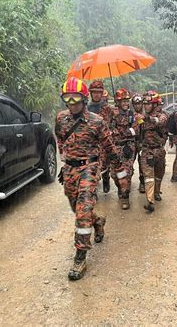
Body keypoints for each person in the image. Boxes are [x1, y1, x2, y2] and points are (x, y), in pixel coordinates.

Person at [55, 77, 126, 280]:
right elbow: (60, 138)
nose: (71, 104)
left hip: (90, 167)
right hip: (70, 170)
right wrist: (64, 158)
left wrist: (121, 175)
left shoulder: (97, 121)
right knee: (76, 208)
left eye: (75, 98)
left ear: (84, 99)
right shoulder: (61, 118)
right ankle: (98, 222)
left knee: (82, 211)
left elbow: (110, 149)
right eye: (67, 99)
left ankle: (80, 257)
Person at [109, 88, 139, 210]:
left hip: (128, 146)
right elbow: (108, 129)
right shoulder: (112, 113)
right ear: (117, 102)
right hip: (115, 147)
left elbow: (137, 126)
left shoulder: (133, 114)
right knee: (115, 174)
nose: (126, 103)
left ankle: (125, 197)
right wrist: (115, 132)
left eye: (127, 101)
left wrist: (128, 132)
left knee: (126, 173)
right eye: (123, 101)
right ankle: (120, 188)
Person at [139, 90, 168, 212]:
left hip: (159, 151)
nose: (146, 106)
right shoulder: (141, 117)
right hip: (147, 151)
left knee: (159, 175)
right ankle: (150, 201)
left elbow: (160, 122)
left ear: (155, 105)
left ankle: (156, 193)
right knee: (148, 176)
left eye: (148, 104)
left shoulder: (162, 115)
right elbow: (138, 132)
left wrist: (147, 118)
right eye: (144, 103)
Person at [87, 80, 113, 193]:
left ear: (102, 93)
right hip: (91, 143)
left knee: (105, 164)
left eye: (99, 92)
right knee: (91, 167)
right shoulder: (86, 108)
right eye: (94, 92)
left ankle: (106, 179)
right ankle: (92, 190)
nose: (97, 94)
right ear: (91, 93)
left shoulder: (108, 108)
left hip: (104, 141)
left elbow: (115, 122)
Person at [131, 94, 145, 193]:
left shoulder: (146, 115)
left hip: (142, 143)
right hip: (131, 143)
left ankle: (142, 183)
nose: (137, 106)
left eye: (139, 103)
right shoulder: (129, 115)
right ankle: (127, 183)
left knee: (142, 165)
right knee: (128, 164)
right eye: (135, 104)